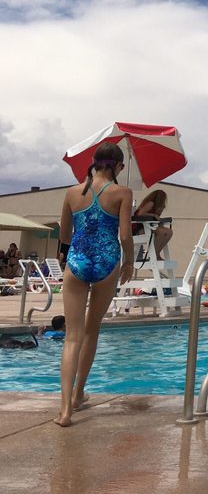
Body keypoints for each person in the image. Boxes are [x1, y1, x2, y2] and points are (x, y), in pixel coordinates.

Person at [55, 142, 134, 427]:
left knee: (72, 338)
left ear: (93, 162)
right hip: (106, 262)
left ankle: (65, 411)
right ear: (118, 167)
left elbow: (64, 233)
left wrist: (68, 255)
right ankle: (78, 394)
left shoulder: (72, 192)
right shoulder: (122, 193)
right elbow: (125, 235)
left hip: (76, 262)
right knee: (91, 331)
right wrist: (129, 262)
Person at [135, 189, 173, 261]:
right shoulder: (150, 203)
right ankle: (152, 255)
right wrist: (153, 215)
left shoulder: (156, 206)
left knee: (169, 232)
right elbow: (140, 214)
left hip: (148, 227)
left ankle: (157, 253)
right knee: (161, 232)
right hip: (139, 229)